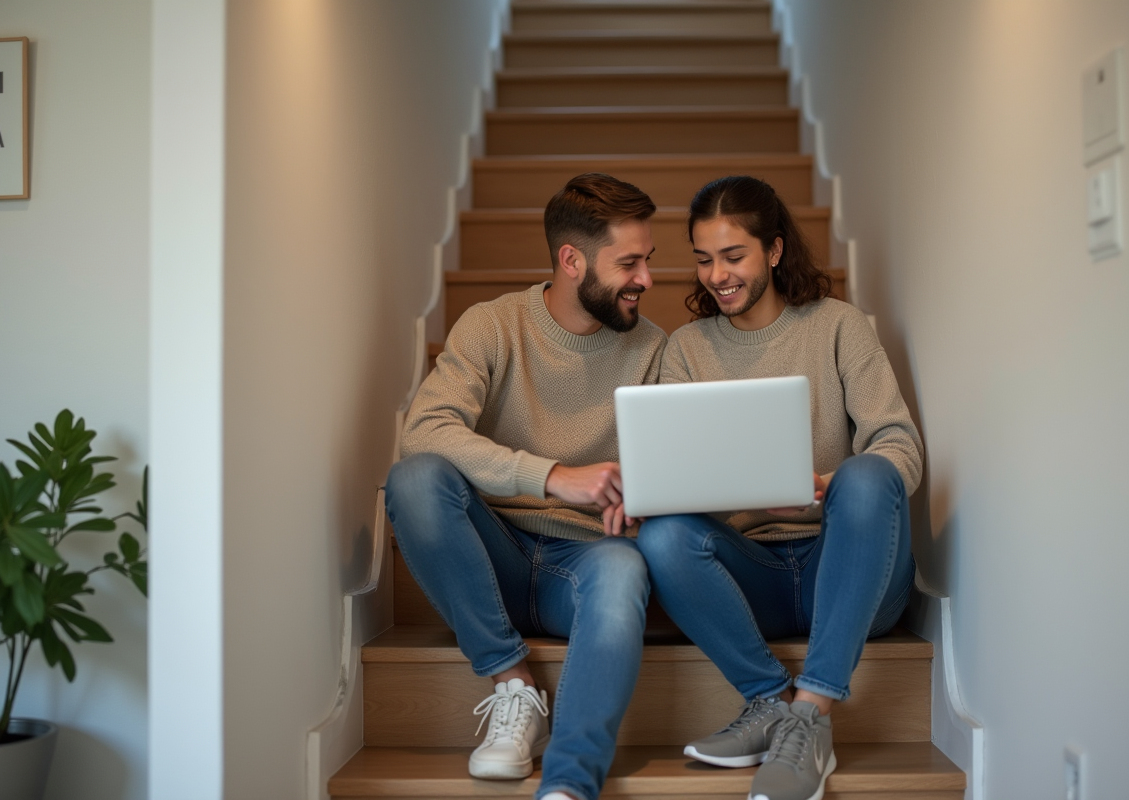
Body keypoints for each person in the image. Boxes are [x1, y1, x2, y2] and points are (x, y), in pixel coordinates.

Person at [635, 176, 923, 800]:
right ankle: (768, 700)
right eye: (704, 259)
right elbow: (672, 480)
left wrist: (825, 487)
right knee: (661, 536)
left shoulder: (839, 326)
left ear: (773, 249)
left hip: (848, 572)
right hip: (752, 576)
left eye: (733, 256)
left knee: (869, 473)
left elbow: (901, 448)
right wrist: (751, 497)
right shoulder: (686, 350)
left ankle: (810, 716)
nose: (718, 276)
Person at [385, 173, 666, 800]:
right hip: (490, 558)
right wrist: (552, 477)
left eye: (648, 260)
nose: (647, 279)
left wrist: (645, 501)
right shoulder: (492, 325)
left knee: (624, 567)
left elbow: (664, 470)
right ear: (572, 260)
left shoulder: (654, 348)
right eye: (629, 263)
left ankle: (569, 784)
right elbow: (424, 430)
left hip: (588, 566)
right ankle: (513, 684)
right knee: (415, 479)